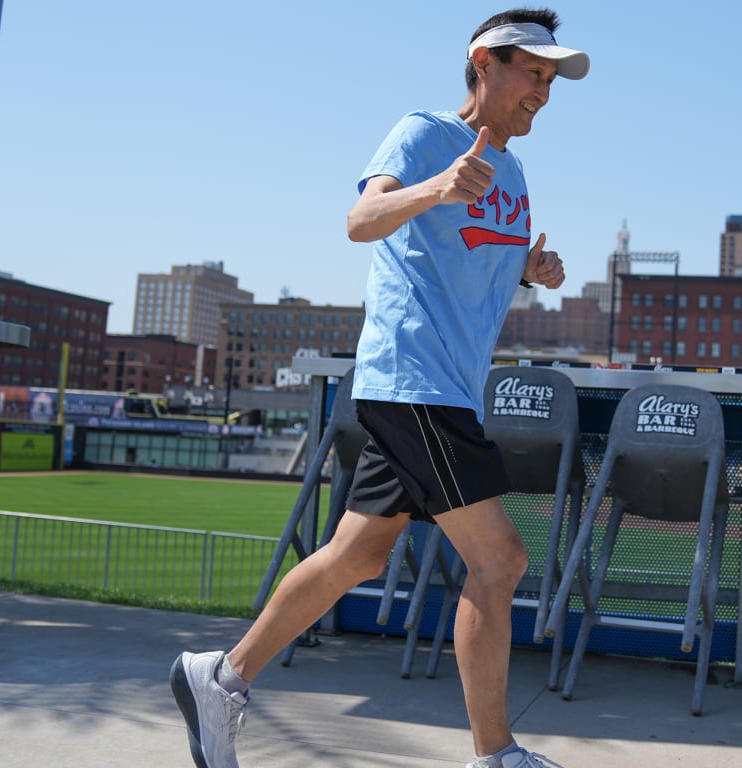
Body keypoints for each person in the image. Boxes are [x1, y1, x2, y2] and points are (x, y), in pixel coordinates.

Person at [170, 8, 588, 768]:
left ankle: (220, 677)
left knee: (356, 555)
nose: (543, 94)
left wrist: (532, 270)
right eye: (533, 73)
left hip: (449, 390)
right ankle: (496, 755)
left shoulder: (517, 173)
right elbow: (362, 219)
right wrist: (435, 187)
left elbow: (479, 266)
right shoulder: (423, 132)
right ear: (485, 62)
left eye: (551, 81)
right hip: (412, 380)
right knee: (501, 561)